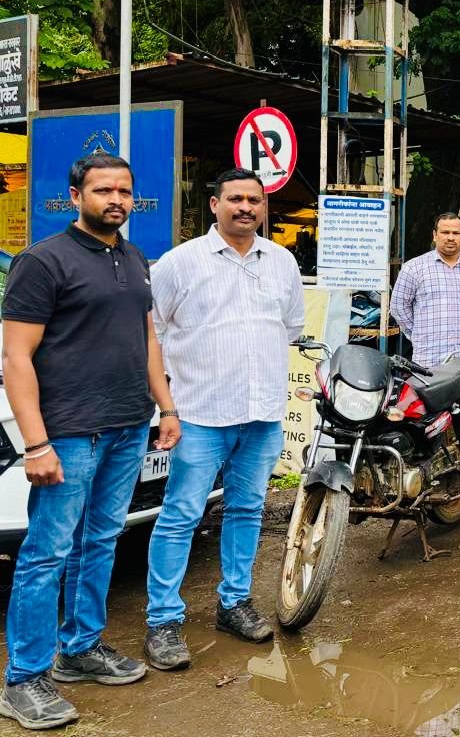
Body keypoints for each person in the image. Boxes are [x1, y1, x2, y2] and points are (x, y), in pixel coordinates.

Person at [0, 154, 180, 731]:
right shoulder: (42, 261)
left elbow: (147, 339)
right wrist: (35, 444)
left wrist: (165, 407)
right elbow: (16, 358)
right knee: (46, 553)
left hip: (127, 426)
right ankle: (23, 678)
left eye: (124, 190)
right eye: (103, 190)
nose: (116, 200)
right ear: (76, 195)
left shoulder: (134, 258)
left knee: (99, 541)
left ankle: (79, 649)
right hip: (70, 433)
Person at [141, 168, 305, 672]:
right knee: (181, 516)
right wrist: (166, 404)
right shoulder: (179, 263)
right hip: (199, 414)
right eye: (235, 198)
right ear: (215, 205)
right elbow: (151, 332)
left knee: (246, 510)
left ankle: (234, 603)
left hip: (261, 413)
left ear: (264, 207)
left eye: (254, 199)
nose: (245, 207)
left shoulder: (282, 262)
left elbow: (290, 327)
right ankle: (163, 620)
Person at [390, 212, 460, 505]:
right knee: (430, 421)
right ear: (434, 235)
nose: (450, 238)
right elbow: (399, 308)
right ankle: (428, 478)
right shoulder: (414, 268)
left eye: (456, 233)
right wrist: (418, 336)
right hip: (429, 359)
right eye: (445, 232)